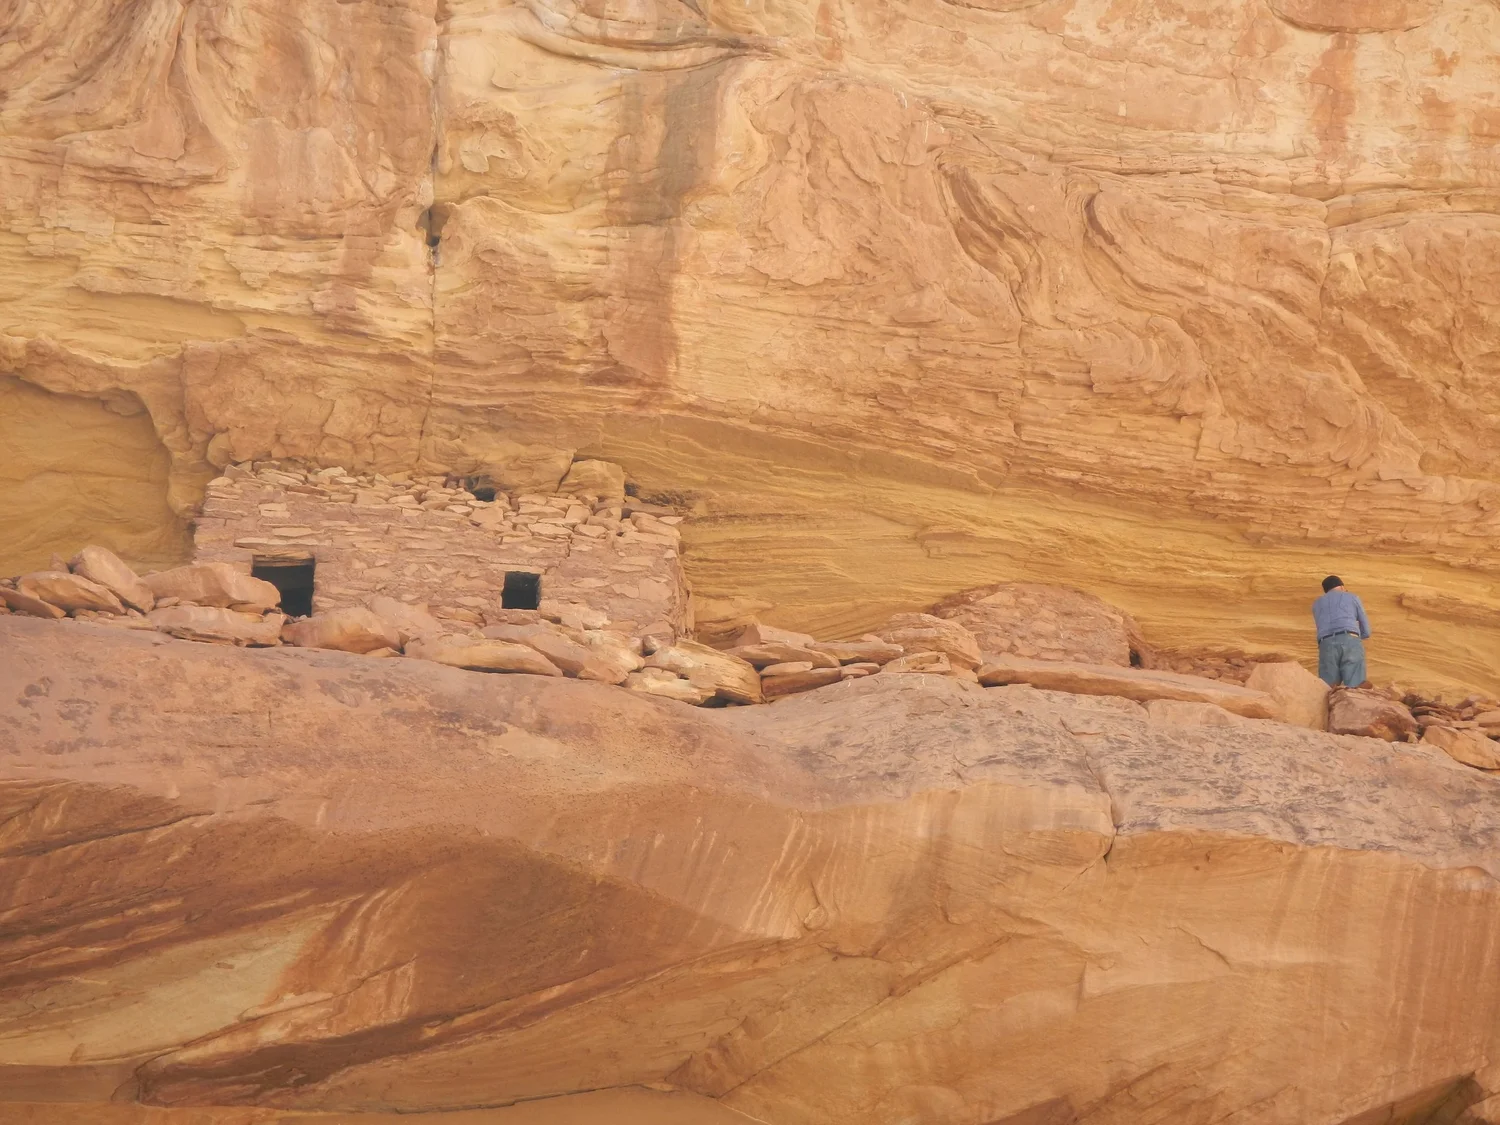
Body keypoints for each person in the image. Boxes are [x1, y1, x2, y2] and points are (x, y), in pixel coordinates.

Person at [1312, 575, 1370, 688]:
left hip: (1326, 643)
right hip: (1350, 639)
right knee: (1355, 685)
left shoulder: (1317, 604)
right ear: (1342, 587)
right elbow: (1366, 630)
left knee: (1327, 687)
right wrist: (1356, 637)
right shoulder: (1352, 597)